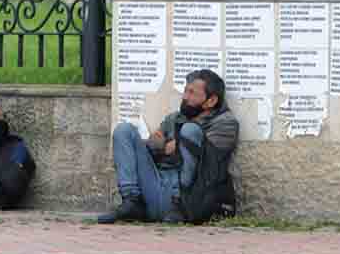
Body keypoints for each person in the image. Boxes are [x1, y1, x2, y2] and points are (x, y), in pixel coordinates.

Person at [99, 68, 239, 224]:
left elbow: (206, 157)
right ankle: (132, 201)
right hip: (157, 186)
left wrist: (175, 142)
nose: (185, 97)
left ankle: (179, 204)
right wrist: (166, 145)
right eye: (185, 91)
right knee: (123, 130)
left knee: (190, 130)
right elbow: (153, 142)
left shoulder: (225, 123)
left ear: (211, 101)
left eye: (192, 93)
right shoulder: (175, 118)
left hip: (190, 200)